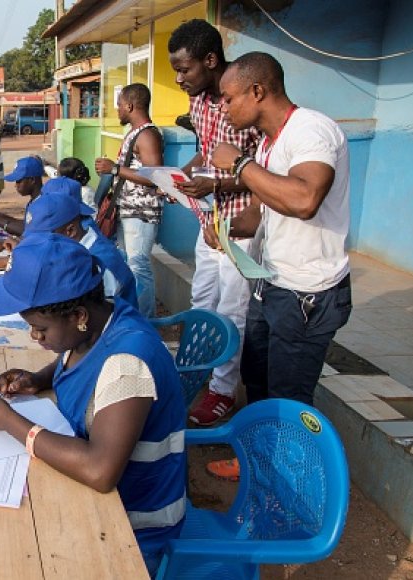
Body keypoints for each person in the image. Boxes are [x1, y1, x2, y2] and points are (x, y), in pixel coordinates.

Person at [0, 233, 186, 576]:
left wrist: (10, 421)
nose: (34, 337)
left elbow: (100, 472)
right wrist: (38, 379)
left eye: (40, 329)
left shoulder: (128, 363)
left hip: (131, 526)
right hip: (96, 500)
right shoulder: (98, 325)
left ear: (79, 316)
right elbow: (79, 357)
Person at [205, 52, 352, 480]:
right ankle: (257, 458)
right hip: (271, 282)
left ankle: (288, 482)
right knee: (258, 379)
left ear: (258, 91)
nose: (223, 108)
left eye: (229, 98)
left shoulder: (311, 131)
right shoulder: (269, 143)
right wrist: (227, 228)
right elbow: (262, 212)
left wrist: (239, 164)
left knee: (290, 396)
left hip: (308, 292)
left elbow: (303, 200)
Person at [167, 19, 263, 426]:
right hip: (209, 219)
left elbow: (264, 170)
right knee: (202, 301)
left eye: (184, 69)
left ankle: (222, 391)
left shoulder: (242, 97)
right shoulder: (199, 103)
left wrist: (217, 180)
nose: (178, 78)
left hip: (242, 224)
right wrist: (176, 178)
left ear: (211, 60)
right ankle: (190, 375)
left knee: (232, 311)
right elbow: (205, 154)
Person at [0, 192, 141, 311]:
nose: (33, 242)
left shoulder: (98, 263)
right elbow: (41, 282)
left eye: (41, 236)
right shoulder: (70, 247)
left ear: (70, 231)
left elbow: (83, 318)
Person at [94, 83, 164, 319]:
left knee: (138, 266)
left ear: (130, 105)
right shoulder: (135, 133)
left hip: (141, 213)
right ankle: (131, 315)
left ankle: (145, 320)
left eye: (119, 106)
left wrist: (115, 169)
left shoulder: (147, 134)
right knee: (128, 267)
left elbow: (155, 176)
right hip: (128, 211)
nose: (117, 111)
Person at [0, 155, 45, 238]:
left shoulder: (42, 204)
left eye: (18, 181)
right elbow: (27, 223)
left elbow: (28, 230)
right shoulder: (35, 199)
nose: (16, 186)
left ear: (32, 180)